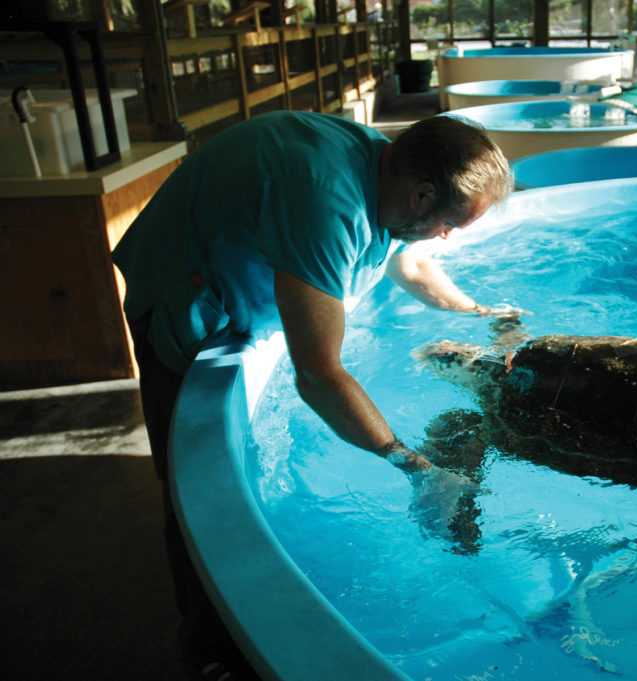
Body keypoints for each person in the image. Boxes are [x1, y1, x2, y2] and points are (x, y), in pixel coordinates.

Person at [112, 110, 514, 681]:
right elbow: (319, 374)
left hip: (244, 249)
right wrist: (419, 469)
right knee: (192, 483)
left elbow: (411, 263)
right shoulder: (326, 204)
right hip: (183, 284)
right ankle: (207, 649)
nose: (449, 237)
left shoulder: (387, 170)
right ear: (422, 197)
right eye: (452, 223)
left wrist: (481, 313)